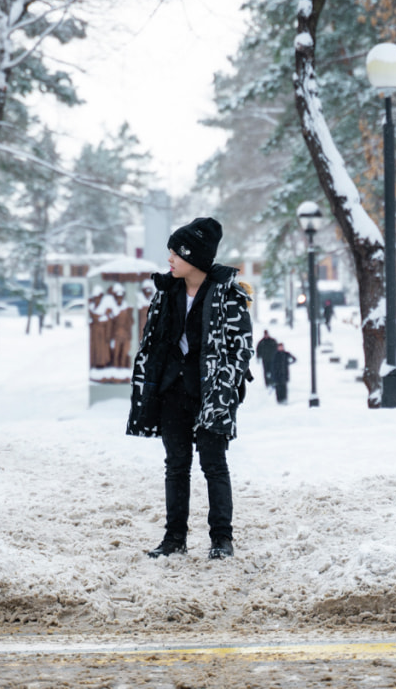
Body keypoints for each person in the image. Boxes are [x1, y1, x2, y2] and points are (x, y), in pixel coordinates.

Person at [127, 217, 253, 561]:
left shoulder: (228, 295)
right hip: (172, 391)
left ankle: (221, 539)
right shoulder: (167, 292)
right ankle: (174, 538)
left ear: (193, 257)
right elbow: (153, 340)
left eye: (175, 253)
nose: (169, 260)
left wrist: (226, 385)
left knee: (214, 464)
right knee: (176, 465)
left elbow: (242, 347)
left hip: (211, 392)